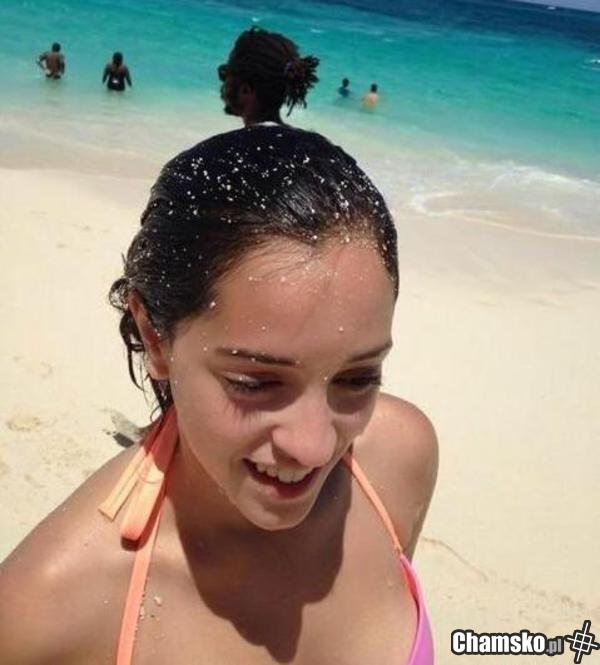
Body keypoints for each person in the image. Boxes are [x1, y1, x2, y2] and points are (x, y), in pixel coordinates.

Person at [0, 125, 437, 664]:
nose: (315, 447)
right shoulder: (46, 611)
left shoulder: (397, 461)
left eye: (357, 379)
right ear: (155, 338)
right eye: (255, 383)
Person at [218, 27, 319, 126]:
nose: (223, 81)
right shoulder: (314, 138)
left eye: (227, 75)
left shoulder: (229, 139)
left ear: (245, 90)